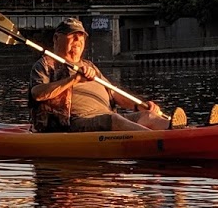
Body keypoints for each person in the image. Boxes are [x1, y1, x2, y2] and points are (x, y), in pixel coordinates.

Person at [28, 17, 172, 132]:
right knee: (114, 119)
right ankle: (159, 140)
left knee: (148, 115)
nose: (78, 41)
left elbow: (114, 94)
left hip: (106, 118)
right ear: (56, 38)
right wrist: (74, 79)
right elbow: (37, 94)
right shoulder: (46, 64)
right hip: (75, 123)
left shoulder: (89, 66)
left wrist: (139, 106)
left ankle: (177, 129)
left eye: (81, 37)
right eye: (72, 36)